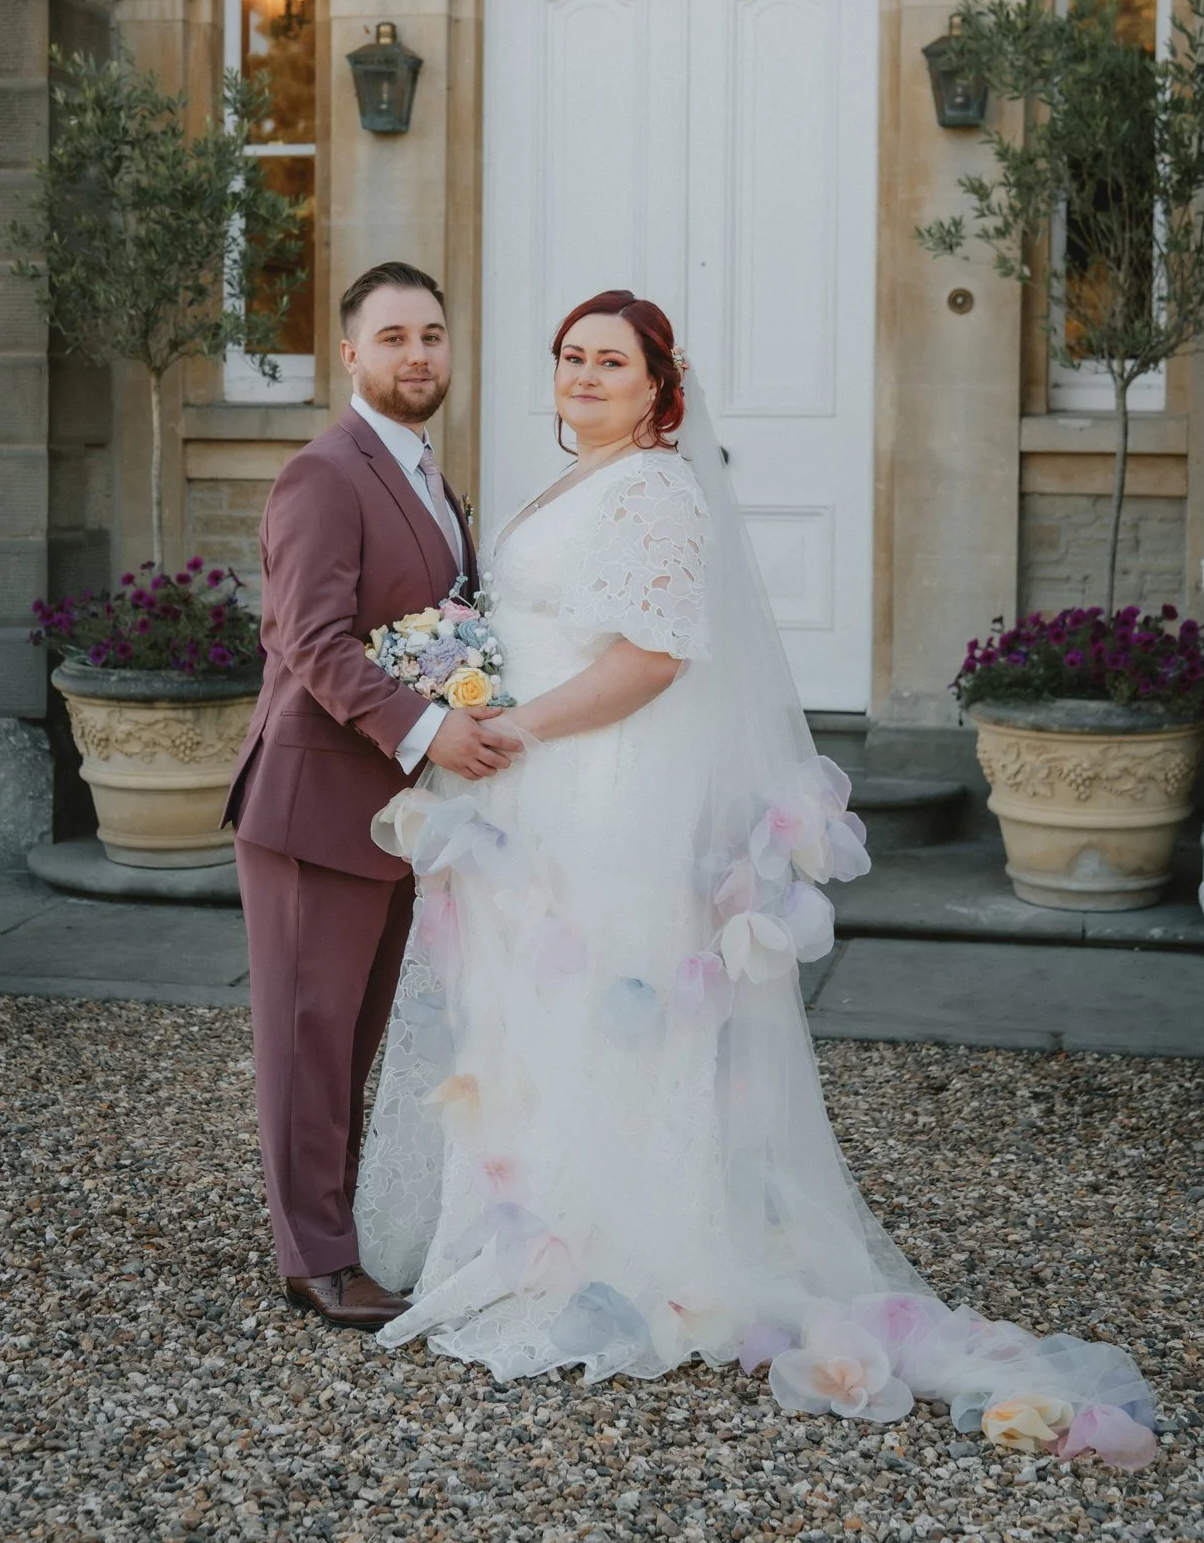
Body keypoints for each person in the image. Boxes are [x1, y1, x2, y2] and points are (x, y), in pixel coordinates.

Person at [356, 289, 1158, 1470]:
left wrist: (514, 724)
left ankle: (615, 1241)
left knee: (602, 1002)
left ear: (658, 384)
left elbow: (654, 660)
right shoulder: (573, 477)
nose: (583, 375)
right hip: (529, 791)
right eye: (571, 356)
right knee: (524, 1005)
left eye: (610, 360)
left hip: (600, 787)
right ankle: (523, 1226)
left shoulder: (660, 490)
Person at [224, 261, 523, 1331]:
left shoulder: (431, 477)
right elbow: (311, 640)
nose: (418, 354)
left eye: (431, 335)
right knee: (308, 1039)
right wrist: (432, 727)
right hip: (313, 804)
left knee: (350, 1038)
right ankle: (312, 1258)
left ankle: (336, 1226)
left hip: (389, 811)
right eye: (393, 337)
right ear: (350, 353)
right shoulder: (324, 474)